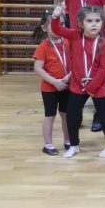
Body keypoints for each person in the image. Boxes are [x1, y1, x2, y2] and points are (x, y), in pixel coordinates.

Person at [50, 4, 105, 158]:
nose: (94, 24)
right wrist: (55, 16)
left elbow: (104, 68)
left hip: (98, 86)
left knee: (104, 116)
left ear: (102, 23)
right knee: (72, 115)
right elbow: (57, 29)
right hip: (78, 85)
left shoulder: (104, 43)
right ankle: (74, 145)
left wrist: (91, 87)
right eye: (89, 21)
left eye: (97, 21)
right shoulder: (75, 35)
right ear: (81, 23)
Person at [32, 9, 71, 155]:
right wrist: (54, 82)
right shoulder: (43, 47)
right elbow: (38, 68)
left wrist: (70, 76)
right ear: (44, 28)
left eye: (62, 24)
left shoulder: (68, 42)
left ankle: (68, 141)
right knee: (50, 115)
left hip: (66, 86)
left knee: (66, 115)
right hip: (50, 88)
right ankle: (48, 145)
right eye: (53, 24)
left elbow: (76, 62)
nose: (58, 27)